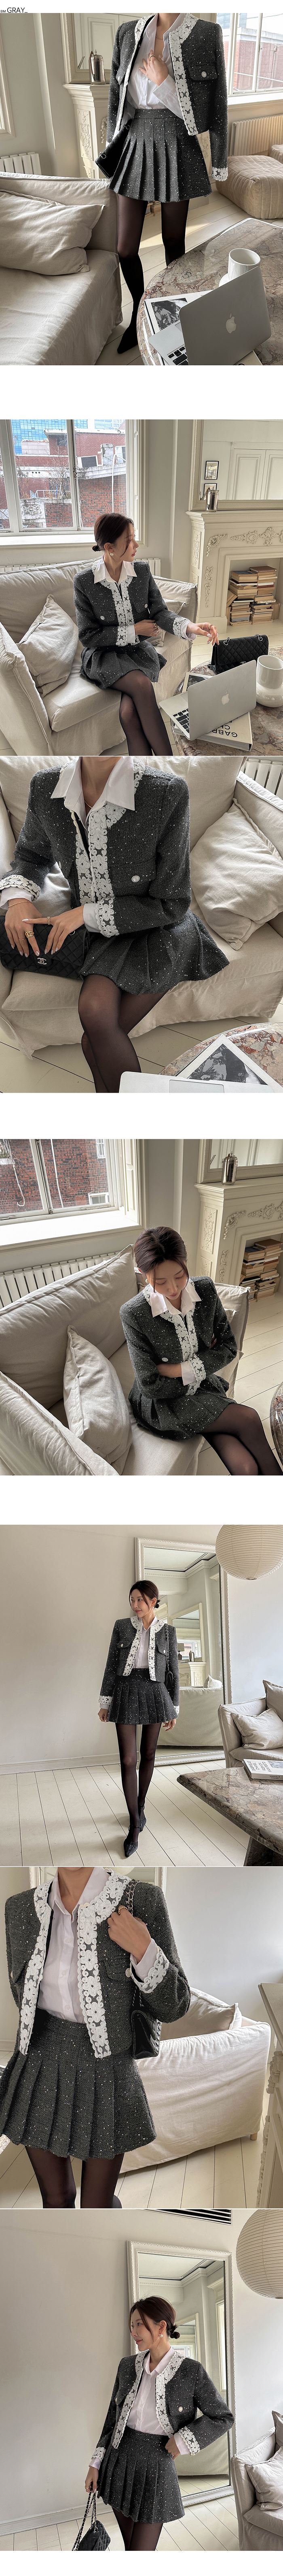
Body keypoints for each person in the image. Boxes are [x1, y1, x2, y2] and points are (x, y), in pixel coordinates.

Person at [0, 756, 226, 1093]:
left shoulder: (166, 793)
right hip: (103, 933)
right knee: (93, 1015)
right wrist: (18, 899)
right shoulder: (46, 787)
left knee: (93, 1038)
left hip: (160, 926)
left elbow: (173, 901)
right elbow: (32, 855)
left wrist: (84, 914)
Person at [0, 1866, 190, 2208]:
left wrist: (144, 1948)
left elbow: (176, 2005)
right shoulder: (20, 1908)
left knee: (97, 2206)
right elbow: (22, 1996)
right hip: (39, 2064)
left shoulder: (141, 1900)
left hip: (107, 2070)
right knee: (55, 2200)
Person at [97, 14, 228, 352]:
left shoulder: (206, 34)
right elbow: (117, 96)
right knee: (125, 248)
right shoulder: (128, 33)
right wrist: (112, 145)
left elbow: (212, 109)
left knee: (173, 240)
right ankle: (139, 315)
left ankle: (174, 315)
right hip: (136, 140)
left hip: (177, 142)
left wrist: (165, 81)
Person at [120, 1225, 281, 1476]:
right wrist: (202, 1364)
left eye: (180, 1276)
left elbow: (229, 1348)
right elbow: (150, 1385)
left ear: (186, 1262)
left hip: (201, 1386)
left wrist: (177, 1370)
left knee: (247, 1468)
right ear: (143, 1274)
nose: (173, 1289)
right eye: (160, 1282)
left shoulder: (205, 1290)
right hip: (163, 1403)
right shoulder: (134, 1314)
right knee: (249, 1418)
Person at [85, 2293, 234, 2552]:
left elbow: (223, 2417)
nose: (134, 2332)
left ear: (161, 2327)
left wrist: (183, 2440)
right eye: (131, 2325)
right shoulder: (126, 2367)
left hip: (157, 2468)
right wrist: (95, 2464)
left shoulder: (191, 2372)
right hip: (118, 2462)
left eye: (139, 2325)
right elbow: (112, 2419)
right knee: (132, 2549)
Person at [74, 513, 218, 756]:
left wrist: (191, 627)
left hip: (136, 653)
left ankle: (146, 773)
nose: (136, 545)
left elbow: (160, 612)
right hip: (104, 656)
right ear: (109, 548)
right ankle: (170, 765)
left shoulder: (141, 572)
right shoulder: (85, 582)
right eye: (129, 540)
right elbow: (88, 636)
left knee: (128, 715)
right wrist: (135, 630)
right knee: (141, 684)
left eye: (134, 537)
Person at [99, 1578, 180, 1856]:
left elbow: (173, 1672)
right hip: (126, 1690)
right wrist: (105, 1701)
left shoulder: (168, 1631)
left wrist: (174, 1707)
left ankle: (141, 1805)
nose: (135, 1605)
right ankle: (135, 1824)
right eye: (132, 1600)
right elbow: (112, 1664)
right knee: (127, 1760)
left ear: (153, 1601)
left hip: (156, 1693)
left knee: (149, 1754)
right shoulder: (121, 1626)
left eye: (140, 1600)